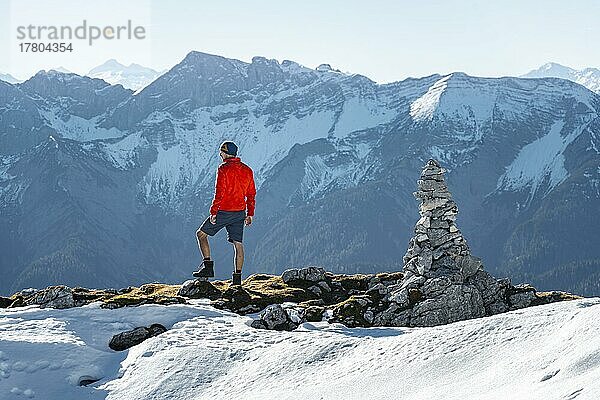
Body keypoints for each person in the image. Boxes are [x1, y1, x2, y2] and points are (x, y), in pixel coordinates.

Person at [193, 141, 256, 286]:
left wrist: (213, 212)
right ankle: (237, 280)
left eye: (221, 152)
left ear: (225, 153)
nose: (220, 154)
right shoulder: (247, 170)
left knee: (201, 234)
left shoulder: (223, 169)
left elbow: (219, 193)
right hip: (240, 212)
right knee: (238, 244)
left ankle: (208, 268)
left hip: (224, 211)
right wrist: (250, 213)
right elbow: (251, 194)